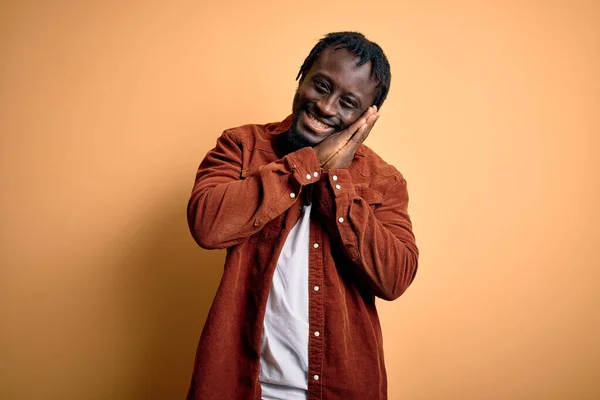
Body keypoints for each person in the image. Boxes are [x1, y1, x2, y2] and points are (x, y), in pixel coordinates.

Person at [186, 31, 419, 400]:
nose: (327, 107)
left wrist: (337, 179)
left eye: (348, 102)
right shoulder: (242, 145)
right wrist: (309, 164)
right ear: (302, 75)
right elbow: (207, 225)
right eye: (321, 85)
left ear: (367, 116)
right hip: (241, 386)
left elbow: (395, 278)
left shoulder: (384, 180)